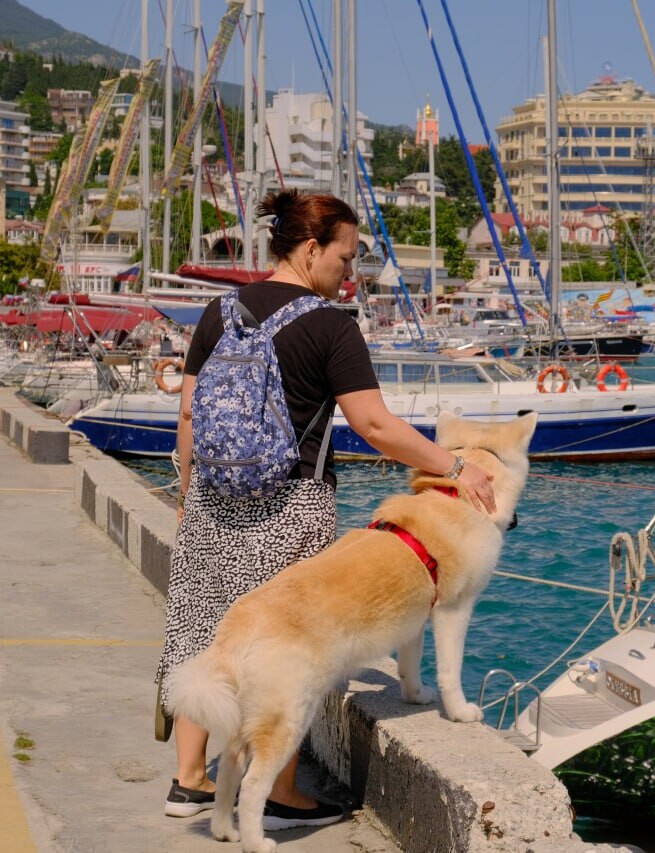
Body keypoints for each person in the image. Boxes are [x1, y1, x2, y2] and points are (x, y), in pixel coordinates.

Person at [154, 189, 497, 828]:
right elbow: (373, 424)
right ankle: (280, 794)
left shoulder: (218, 311)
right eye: (346, 256)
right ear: (312, 249)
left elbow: (189, 414)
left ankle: (189, 780)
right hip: (290, 505)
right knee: (292, 648)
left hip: (210, 502)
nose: (351, 271)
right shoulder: (331, 325)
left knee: (203, 633)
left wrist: (186, 496)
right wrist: (455, 466)